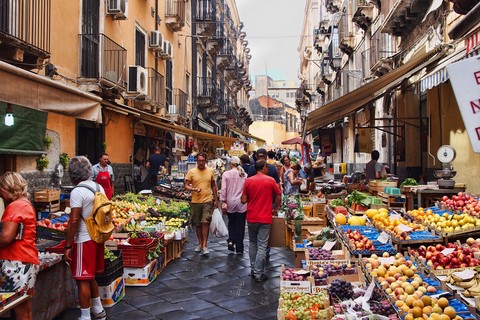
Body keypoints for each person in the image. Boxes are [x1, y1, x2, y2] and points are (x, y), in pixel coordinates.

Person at [64, 156, 107, 320]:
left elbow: (73, 220)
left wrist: (68, 245)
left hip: (83, 239)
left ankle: (85, 316)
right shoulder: (98, 187)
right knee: (90, 276)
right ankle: (98, 310)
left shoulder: (77, 191)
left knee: (82, 279)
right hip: (97, 237)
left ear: (73, 174)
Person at [0, 172, 39, 320]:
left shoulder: (15, 206)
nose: (1, 195)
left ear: (7, 188)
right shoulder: (25, 203)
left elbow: (5, 237)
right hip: (25, 259)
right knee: (24, 308)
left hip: (16, 262)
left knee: (20, 310)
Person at [241, 160, 282, 282]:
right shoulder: (270, 180)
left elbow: (243, 200)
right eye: (267, 167)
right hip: (265, 217)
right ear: (263, 167)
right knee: (262, 245)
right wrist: (275, 208)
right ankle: (259, 273)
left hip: (251, 217)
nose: (267, 169)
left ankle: (254, 269)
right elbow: (279, 195)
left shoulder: (248, 181)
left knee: (252, 243)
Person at [184, 152, 218, 255]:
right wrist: (193, 189)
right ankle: (199, 243)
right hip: (195, 201)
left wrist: (216, 199)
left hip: (207, 200)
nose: (201, 163)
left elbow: (213, 186)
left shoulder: (210, 171)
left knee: (205, 222)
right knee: (198, 224)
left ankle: (204, 245)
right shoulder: (191, 172)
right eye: (199, 161)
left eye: (203, 161)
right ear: (197, 161)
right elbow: (186, 185)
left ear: (205, 161)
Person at [220, 156, 247, 255]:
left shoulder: (226, 174)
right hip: (242, 203)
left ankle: (231, 240)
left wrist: (223, 201)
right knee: (240, 225)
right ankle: (240, 247)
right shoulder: (244, 175)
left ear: (231, 164)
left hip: (230, 202)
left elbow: (223, 189)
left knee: (231, 222)